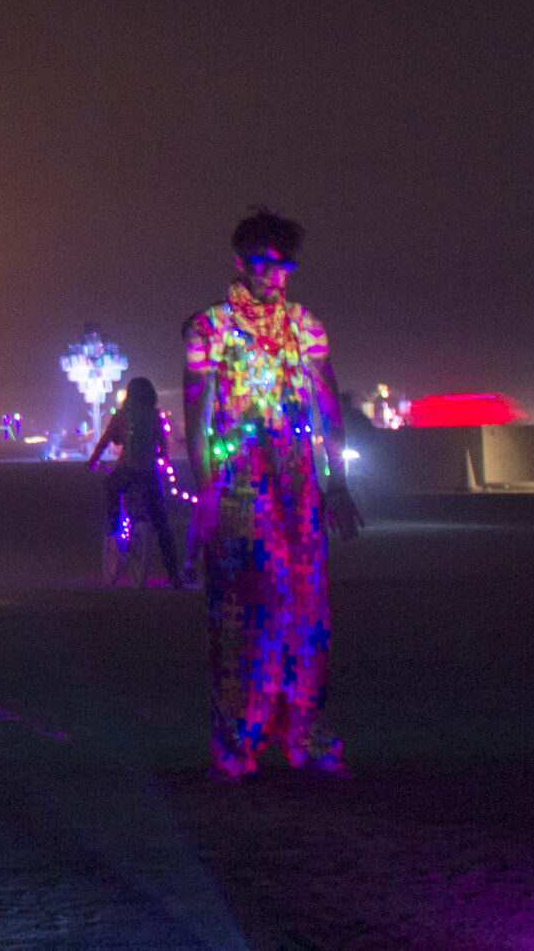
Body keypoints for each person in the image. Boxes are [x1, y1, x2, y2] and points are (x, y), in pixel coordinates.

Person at [184, 208, 362, 780]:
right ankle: (238, 743)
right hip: (237, 491)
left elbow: (327, 405)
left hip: (298, 492)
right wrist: (205, 492)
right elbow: (196, 413)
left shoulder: (306, 327)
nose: (274, 275)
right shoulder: (209, 328)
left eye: (285, 265)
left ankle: (305, 735)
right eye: (264, 263)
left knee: (307, 616)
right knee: (243, 614)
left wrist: (337, 484)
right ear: (240, 261)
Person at [88, 376, 185, 587]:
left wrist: (92, 461)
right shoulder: (156, 416)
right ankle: (174, 574)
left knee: (111, 486)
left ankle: (113, 526)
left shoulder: (121, 416)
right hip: (149, 474)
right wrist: (160, 458)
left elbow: (105, 441)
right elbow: (163, 448)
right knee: (161, 524)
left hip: (126, 471)